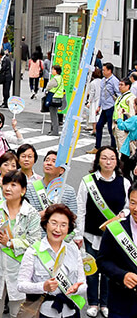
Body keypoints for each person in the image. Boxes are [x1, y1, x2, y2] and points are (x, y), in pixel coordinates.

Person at [76, 146, 131, 318]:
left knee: (109, 271)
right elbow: (80, 209)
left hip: (114, 237)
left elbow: (129, 207)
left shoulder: (124, 182)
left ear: (117, 161)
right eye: (104, 158)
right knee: (91, 270)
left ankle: (105, 302)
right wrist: (78, 234)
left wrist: (122, 215)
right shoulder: (88, 181)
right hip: (90, 235)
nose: (108, 162)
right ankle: (93, 302)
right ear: (98, 160)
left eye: (112, 158)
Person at [0, 170, 41, 318]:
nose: (7, 188)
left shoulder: (30, 213)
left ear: (23, 190)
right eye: (6, 184)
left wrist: (10, 243)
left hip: (19, 272)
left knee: (17, 314)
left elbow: (35, 242)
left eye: (13, 185)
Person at [19, 204, 86, 318]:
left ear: (68, 228)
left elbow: (83, 283)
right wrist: (43, 287)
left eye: (63, 225)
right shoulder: (33, 251)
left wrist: (76, 289)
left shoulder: (73, 249)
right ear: (46, 224)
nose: (57, 229)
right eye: (54, 223)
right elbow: (21, 285)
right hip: (44, 312)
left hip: (71, 310)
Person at [97, 183, 137, 318]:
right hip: (121, 303)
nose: (136, 209)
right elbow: (102, 261)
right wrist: (122, 275)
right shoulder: (115, 229)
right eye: (133, 203)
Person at [88, 62, 120, 153]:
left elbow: (118, 94)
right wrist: (99, 106)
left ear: (109, 71)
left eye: (104, 70)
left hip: (111, 107)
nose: (102, 72)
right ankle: (97, 147)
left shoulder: (114, 81)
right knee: (99, 126)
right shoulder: (103, 80)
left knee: (111, 129)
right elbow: (102, 95)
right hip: (104, 107)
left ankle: (113, 148)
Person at [45, 64, 66, 136]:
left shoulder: (55, 79)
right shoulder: (60, 78)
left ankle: (54, 131)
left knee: (53, 115)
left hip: (53, 98)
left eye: (53, 69)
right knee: (55, 115)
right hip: (58, 98)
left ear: (56, 71)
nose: (52, 71)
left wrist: (46, 89)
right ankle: (53, 130)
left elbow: (48, 86)